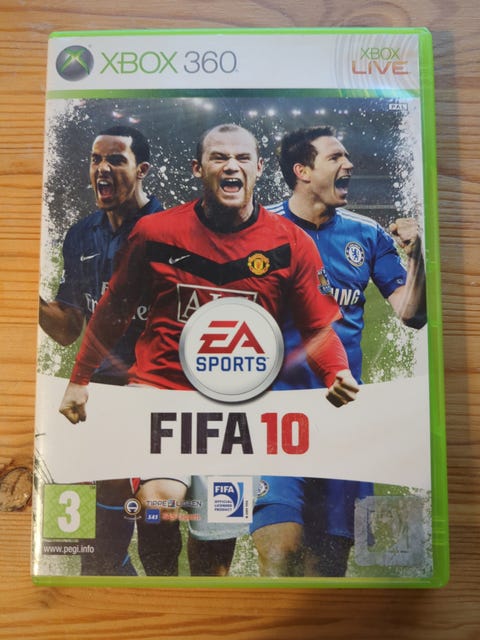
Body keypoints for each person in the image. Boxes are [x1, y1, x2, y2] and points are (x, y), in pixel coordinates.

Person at [57, 123, 360, 576]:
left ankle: (201, 598)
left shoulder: (290, 243)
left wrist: (337, 370)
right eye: (219, 157)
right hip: (160, 396)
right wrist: (80, 379)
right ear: (198, 169)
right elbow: (112, 311)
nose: (231, 165)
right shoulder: (156, 232)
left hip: (235, 411)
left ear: (259, 168)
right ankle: (162, 586)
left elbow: (317, 326)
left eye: (242, 158)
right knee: (158, 504)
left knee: (213, 552)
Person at [251, 125, 427, 577]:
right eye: (336, 157)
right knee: (279, 550)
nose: (349, 164)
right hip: (274, 414)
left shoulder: (366, 234)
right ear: (302, 171)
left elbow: (411, 313)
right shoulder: (256, 228)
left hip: (345, 417)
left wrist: (418, 256)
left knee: (327, 566)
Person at [39, 125, 182, 576]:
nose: (102, 168)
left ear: (142, 170)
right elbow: (68, 330)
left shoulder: (176, 231)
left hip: (160, 394)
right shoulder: (81, 235)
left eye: (116, 159)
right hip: (98, 394)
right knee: (95, 547)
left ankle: (165, 602)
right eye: (96, 159)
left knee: (158, 520)